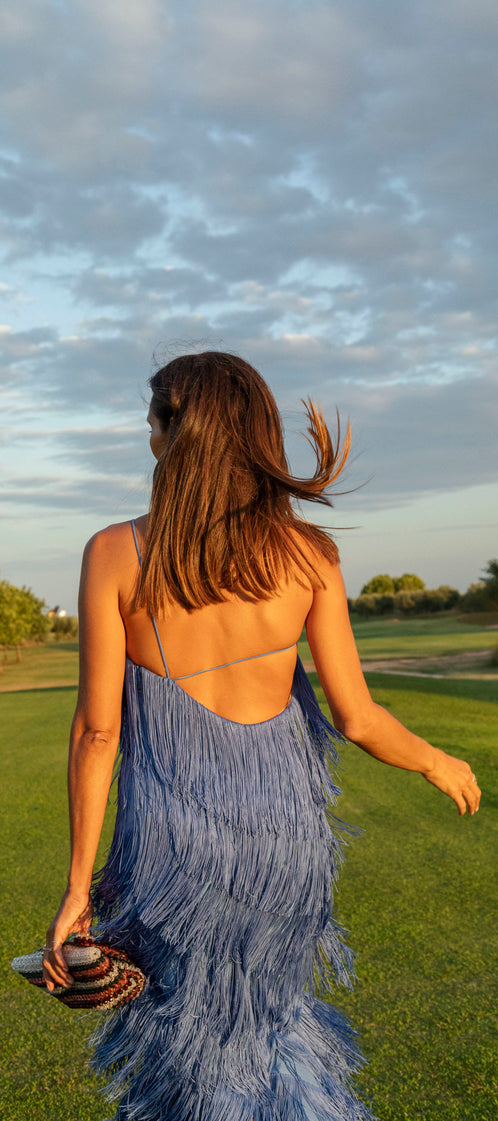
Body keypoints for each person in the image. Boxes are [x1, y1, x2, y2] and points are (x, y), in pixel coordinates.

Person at [42, 351, 480, 1121]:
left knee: (190, 1048)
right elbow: (358, 717)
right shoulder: (310, 556)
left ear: (170, 432)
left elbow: (99, 731)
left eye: (151, 420)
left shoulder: (116, 551)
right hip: (285, 852)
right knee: (270, 1028)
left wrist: (79, 888)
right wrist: (437, 760)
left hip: (173, 857)